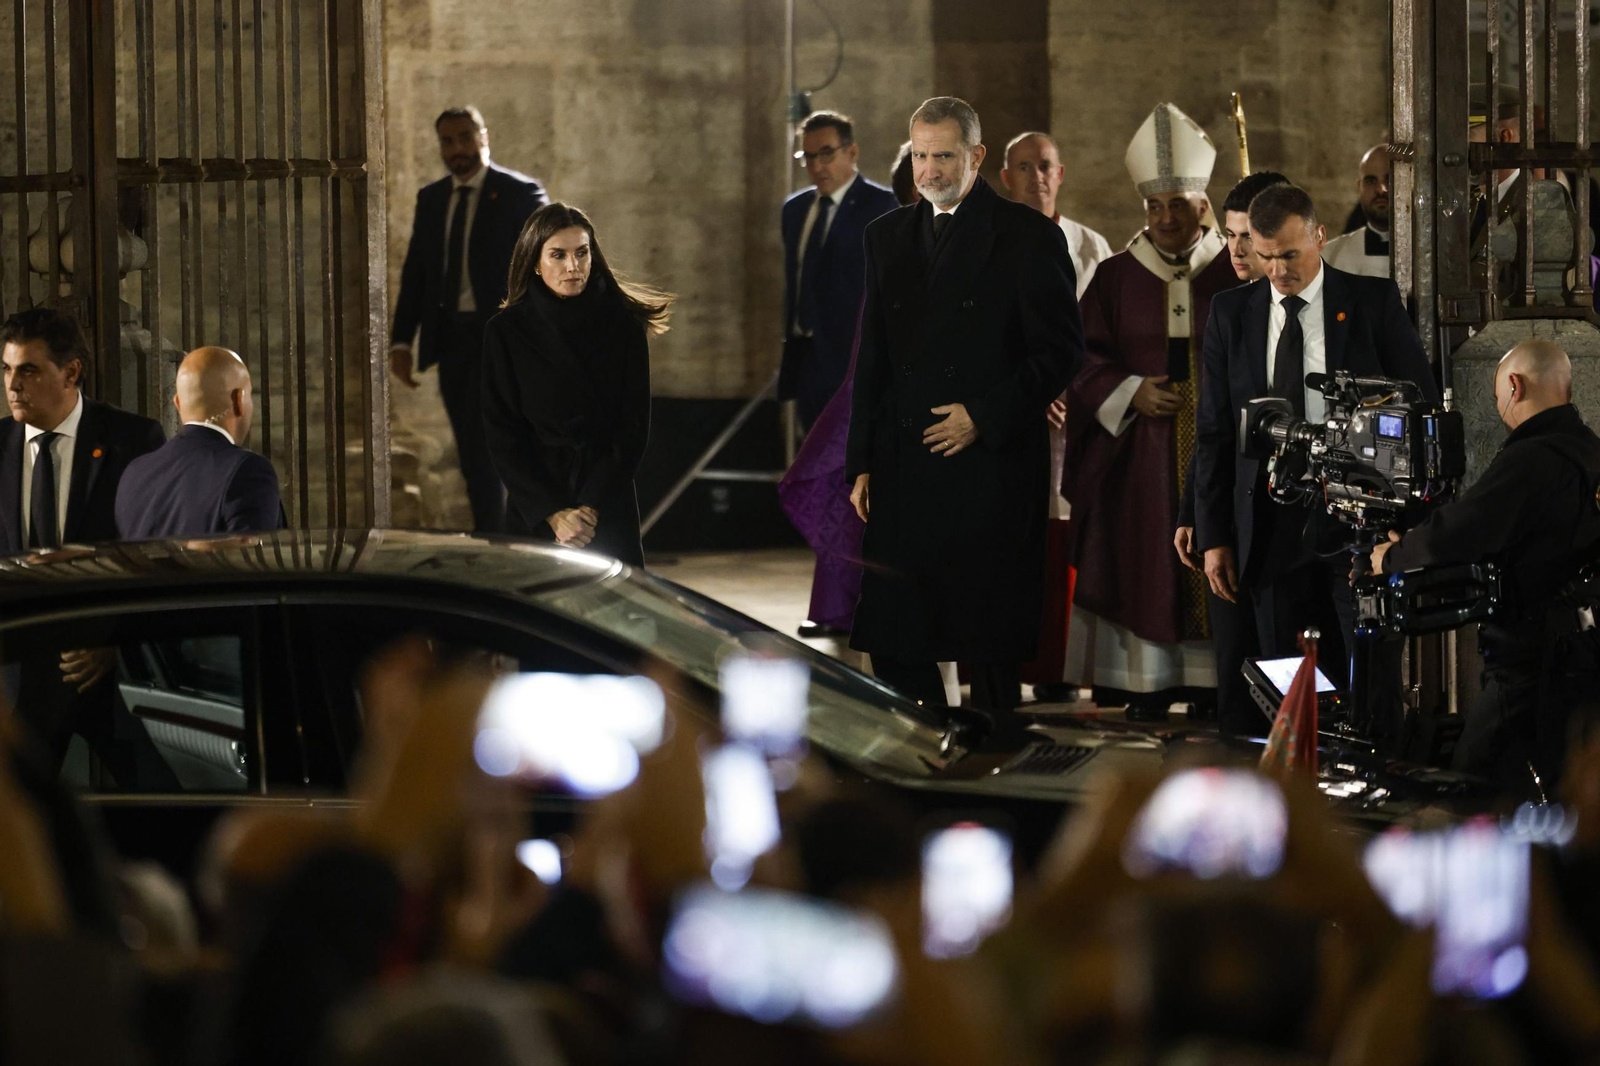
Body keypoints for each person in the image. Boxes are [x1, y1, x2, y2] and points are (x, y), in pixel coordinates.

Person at [846, 96, 1082, 714]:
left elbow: (1060, 352)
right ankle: (927, 741)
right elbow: (873, 357)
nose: (929, 171)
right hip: (905, 460)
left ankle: (994, 747)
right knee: (896, 632)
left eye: (944, 156)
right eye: (920, 157)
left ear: (976, 156)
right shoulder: (885, 237)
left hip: (990, 464)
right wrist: (861, 461)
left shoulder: (1028, 236)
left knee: (987, 636)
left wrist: (983, 415)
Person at [1194, 183, 1434, 727]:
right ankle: (1302, 774)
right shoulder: (1231, 313)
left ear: (1319, 237)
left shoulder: (1371, 303)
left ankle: (1374, 770)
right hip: (1270, 523)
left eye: (1290, 255)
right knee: (1288, 684)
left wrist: (1406, 523)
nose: (1278, 270)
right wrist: (1214, 536)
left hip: (1358, 522)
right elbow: (1214, 432)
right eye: (1266, 256)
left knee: (1369, 676)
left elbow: (1416, 407)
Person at [1060, 103, 1236, 712]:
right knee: (1142, 560)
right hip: (1140, 452)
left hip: (1216, 446)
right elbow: (1082, 356)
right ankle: (1147, 682)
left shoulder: (1236, 272)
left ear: (1203, 205)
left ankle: (1216, 685)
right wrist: (1130, 390)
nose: (1165, 218)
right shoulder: (1115, 277)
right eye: (1153, 206)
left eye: (1177, 205)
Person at [1370, 340, 1600, 795]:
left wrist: (1392, 558)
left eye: (1497, 397)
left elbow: (1459, 531)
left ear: (1515, 386)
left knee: (1471, 784)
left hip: (1532, 662)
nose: (1499, 409)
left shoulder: (1531, 458)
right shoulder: (1590, 451)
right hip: (1584, 652)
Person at [0, 307, 165, 772]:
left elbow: (155, 557)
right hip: (18, 675)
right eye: (7, 370)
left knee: (157, 798)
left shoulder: (133, 441)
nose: (13, 386)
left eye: (28, 371)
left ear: (71, 372)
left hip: (106, 673)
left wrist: (116, 643)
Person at [779, 144, 919, 641]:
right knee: (847, 491)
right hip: (842, 379)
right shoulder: (801, 211)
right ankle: (846, 607)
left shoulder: (878, 208)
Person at [481, 203, 671, 567]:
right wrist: (553, 514)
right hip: (537, 503)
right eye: (558, 255)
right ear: (536, 262)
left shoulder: (624, 326)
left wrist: (589, 509)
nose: (573, 266)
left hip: (605, 500)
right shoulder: (505, 332)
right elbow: (501, 433)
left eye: (581, 253)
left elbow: (633, 427)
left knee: (614, 601)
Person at [390, 105, 548, 534]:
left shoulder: (520, 194)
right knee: (471, 449)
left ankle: (518, 541)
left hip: (504, 342)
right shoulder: (431, 198)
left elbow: (542, 270)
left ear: (484, 137)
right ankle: (492, 539)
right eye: (447, 141)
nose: (457, 148)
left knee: (502, 446)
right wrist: (401, 341)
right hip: (453, 342)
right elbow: (417, 273)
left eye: (465, 137)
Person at [1172, 170, 1289, 731]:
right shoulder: (1229, 309)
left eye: (1248, 237)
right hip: (1234, 520)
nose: (1236, 250)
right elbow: (1214, 426)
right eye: (1230, 235)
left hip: (1293, 526)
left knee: (1289, 676)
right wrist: (1194, 513)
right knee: (1237, 678)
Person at [998, 130, 1113, 696]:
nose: (1036, 177)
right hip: (1010, 416)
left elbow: (1103, 335)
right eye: (1023, 167)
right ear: (1005, 178)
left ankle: (1058, 670)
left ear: (1060, 174)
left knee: (1064, 542)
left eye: (1045, 165)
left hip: (1074, 415)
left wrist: (1073, 386)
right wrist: (1030, 387)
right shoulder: (989, 240)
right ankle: (1006, 666)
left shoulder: (1091, 246)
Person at [780, 110, 901, 430]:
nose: (817, 166)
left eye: (826, 154)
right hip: (806, 358)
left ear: (852, 152)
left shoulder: (882, 206)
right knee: (812, 451)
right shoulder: (795, 210)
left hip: (854, 362)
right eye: (808, 157)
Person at [115, 346, 285, 539]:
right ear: (239, 399)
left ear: (178, 404)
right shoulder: (247, 471)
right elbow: (252, 556)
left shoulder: (135, 472)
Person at [1322, 145, 1392, 278]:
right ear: (1360, 187)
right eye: (1371, 181)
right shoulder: (1329, 257)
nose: (1381, 189)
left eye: (1390, 179)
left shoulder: (1428, 254)